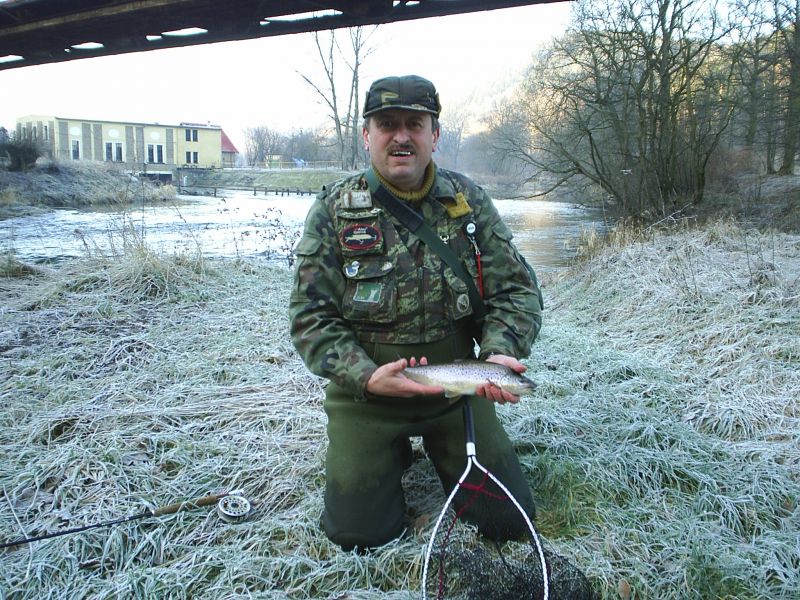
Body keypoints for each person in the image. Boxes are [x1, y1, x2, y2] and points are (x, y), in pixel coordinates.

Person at [289, 74, 544, 551]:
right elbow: (310, 315)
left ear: (435, 134)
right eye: (387, 124)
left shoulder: (469, 203)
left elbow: (516, 292)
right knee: (358, 536)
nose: (401, 136)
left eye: (414, 124)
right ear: (367, 135)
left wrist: (497, 353)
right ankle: (388, 452)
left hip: (456, 389)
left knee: (509, 523)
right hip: (368, 395)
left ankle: (440, 448)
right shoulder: (333, 209)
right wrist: (364, 376)